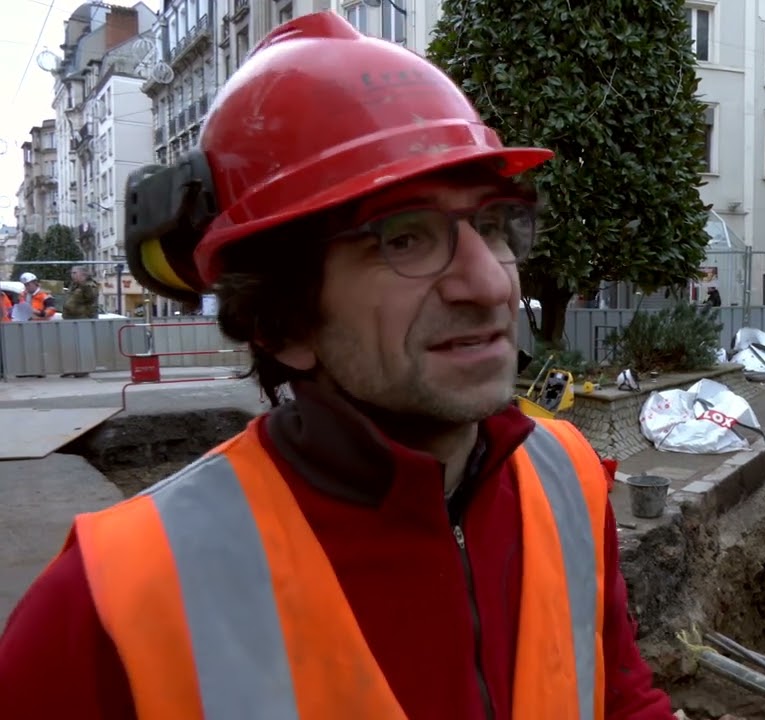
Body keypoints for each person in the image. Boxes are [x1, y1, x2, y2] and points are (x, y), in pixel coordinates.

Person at [0, 13, 674, 720]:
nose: (492, 282)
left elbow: (619, 694)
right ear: (282, 322)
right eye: (405, 239)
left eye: (493, 226)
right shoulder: (116, 599)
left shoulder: (563, 476)